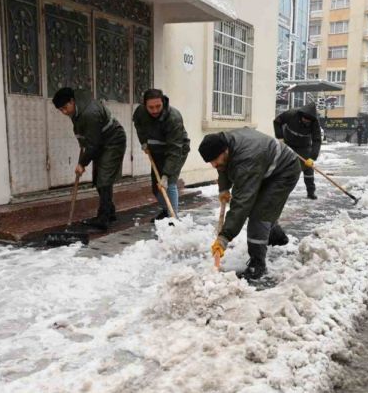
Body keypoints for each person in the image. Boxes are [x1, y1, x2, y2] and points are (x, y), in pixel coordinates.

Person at [199, 128, 302, 280]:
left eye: (215, 160)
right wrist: (224, 188)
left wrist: (225, 236)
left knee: (259, 214)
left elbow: (242, 203)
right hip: (266, 167)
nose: (214, 165)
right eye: (211, 162)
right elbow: (223, 167)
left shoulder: (246, 160)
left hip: (284, 171)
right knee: (261, 208)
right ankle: (275, 235)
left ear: (225, 150)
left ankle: (257, 265)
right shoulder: (223, 143)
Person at [52, 87, 127, 230]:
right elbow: (85, 134)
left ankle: (103, 218)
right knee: (99, 177)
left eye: (65, 107)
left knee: (104, 179)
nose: (64, 112)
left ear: (72, 101)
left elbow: (94, 143)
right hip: (100, 141)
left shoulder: (89, 112)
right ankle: (109, 212)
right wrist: (83, 144)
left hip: (113, 141)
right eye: (60, 110)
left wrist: (82, 163)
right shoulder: (78, 109)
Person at [133, 89, 190, 222]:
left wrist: (166, 175)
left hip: (176, 150)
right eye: (151, 107)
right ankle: (166, 210)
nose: (154, 110)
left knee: (168, 183)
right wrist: (143, 142)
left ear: (163, 102)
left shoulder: (173, 118)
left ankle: (173, 218)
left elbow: (174, 150)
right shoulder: (140, 112)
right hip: (156, 150)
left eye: (158, 106)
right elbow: (139, 126)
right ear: (144, 105)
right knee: (156, 187)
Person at [273, 103, 322, 199]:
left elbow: (317, 140)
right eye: (305, 119)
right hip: (288, 144)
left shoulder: (315, 122)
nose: (306, 121)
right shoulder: (291, 114)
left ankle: (311, 192)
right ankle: (281, 192)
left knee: (308, 169)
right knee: (285, 167)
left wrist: (312, 157)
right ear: (301, 115)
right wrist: (280, 137)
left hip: (304, 146)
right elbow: (277, 122)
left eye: (308, 121)